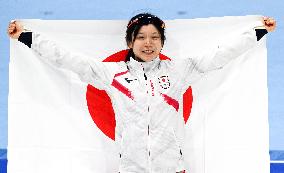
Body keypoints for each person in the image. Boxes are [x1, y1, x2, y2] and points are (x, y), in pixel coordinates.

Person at [7, 13, 276, 173]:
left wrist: (258, 31)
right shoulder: (111, 74)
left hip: (172, 168)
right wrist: (27, 37)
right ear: (130, 41)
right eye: (141, 37)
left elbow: (219, 56)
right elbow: (67, 58)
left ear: (162, 41)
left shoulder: (179, 71)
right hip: (131, 169)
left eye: (154, 37)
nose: (148, 43)